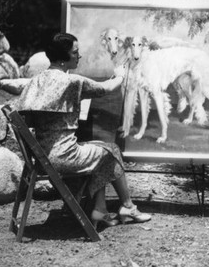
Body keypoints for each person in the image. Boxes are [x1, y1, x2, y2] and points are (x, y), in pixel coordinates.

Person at [17, 32, 151, 229]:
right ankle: (128, 206)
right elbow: (105, 88)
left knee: (101, 150)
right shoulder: (72, 82)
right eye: (75, 52)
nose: (78, 56)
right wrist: (120, 76)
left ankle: (101, 210)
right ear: (64, 57)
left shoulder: (38, 80)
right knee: (112, 150)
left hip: (43, 155)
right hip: (64, 157)